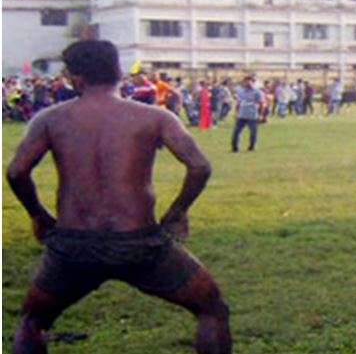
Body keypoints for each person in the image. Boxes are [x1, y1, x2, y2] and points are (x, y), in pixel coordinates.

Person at [6, 40, 232, 353]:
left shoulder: (51, 119)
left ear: (75, 78)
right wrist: (177, 211)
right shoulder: (155, 117)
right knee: (211, 308)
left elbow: (17, 172)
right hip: (139, 243)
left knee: (33, 321)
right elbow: (199, 166)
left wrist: (39, 215)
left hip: (73, 245)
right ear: (118, 72)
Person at [231, 75, 264, 152]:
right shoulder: (241, 92)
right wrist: (236, 113)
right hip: (242, 115)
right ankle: (235, 147)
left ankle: (252, 146)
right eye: (246, 81)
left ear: (253, 82)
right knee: (236, 132)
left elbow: (261, 104)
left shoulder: (257, 92)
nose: (248, 83)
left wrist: (260, 115)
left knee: (253, 132)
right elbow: (238, 103)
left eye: (250, 81)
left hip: (252, 115)